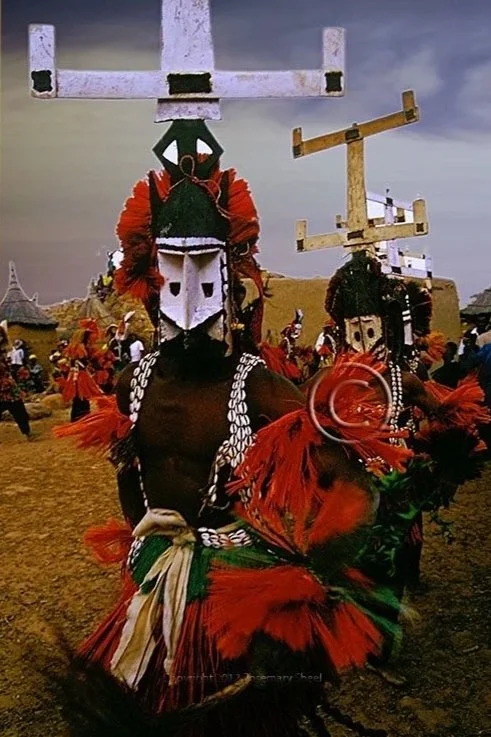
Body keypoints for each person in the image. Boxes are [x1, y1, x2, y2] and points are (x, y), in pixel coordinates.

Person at [54, 122, 412, 737]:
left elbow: (352, 488)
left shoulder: (262, 387)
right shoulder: (131, 385)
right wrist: (144, 550)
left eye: (204, 268)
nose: (188, 291)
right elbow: (130, 473)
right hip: (154, 584)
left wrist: (304, 587)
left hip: (234, 598)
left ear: (232, 276)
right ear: (148, 273)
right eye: (172, 267)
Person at [0, 323, 35, 440]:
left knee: (19, 410)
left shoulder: (4, 352)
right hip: (3, 387)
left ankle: (27, 433)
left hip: (9, 387)